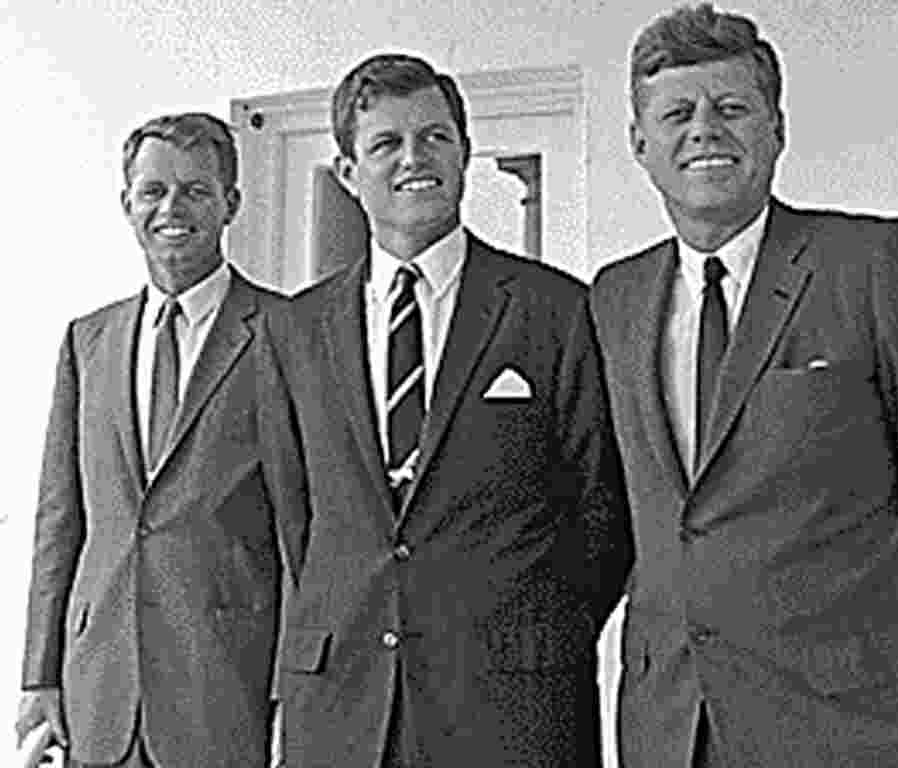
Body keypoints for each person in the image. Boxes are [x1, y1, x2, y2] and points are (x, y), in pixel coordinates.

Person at [589, 4, 898, 766]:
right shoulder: (612, 301)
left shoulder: (878, 265)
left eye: (731, 108)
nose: (705, 130)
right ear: (639, 143)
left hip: (856, 729)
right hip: (674, 731)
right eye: (677, 113)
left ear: (777, 128)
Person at [265, 53, 633, 767]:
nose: (415, 158)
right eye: (387, 143)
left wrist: (534, 633)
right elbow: (295, 517)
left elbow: (603, 507)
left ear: (464, 151)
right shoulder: (295, 331)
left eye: (434, 136)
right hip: (344, 707)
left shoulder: (554, 310)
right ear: (348, 172)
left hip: (514, 704)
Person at [14, 112, 308, 768]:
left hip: (226, 689)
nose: (171, 208)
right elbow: (60, 524)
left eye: (195, 191)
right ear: (127, 204)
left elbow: (304, 533)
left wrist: (297, 690)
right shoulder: (87, 341)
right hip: (98, 690)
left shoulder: (287, 333)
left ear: (231, 203)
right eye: (153, 191)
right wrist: (39, 677)